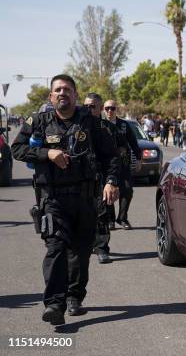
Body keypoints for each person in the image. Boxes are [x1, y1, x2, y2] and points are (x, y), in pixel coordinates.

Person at [11, 74, 120, 325]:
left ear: (75, 95)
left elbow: (111, 156)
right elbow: (17, 148)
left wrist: (111, 181)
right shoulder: (38, 122)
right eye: (58, 90)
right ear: (51, 97)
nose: (63, 93)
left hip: (85, 199)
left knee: (81, 253)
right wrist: (46, 153)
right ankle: (54, 304)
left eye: (67, 90)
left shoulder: (91, 123)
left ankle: (74, 297)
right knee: (56, 248)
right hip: (53, 199)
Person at [83, 93, 116, 264]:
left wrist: (111, 181)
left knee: (101, 214)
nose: (89, 110)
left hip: (99, 177)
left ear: (100, 108)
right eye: (86, 106)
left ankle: (102, 248)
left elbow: (112, 156)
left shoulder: (106, 128)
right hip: (78, 179)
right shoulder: (76, 125)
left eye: (92, 107)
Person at [104, 100, 142, 230]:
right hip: (106, 165)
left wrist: (138, 159)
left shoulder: (124, 125)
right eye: (107, 108)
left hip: (123, 164)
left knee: (127, 190)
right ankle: (110, 220)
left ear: (116, 110)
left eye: (112, 108)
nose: (110, 111)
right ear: (103, 109)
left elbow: (133, 142)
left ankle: (122, 218)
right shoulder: (100, 124)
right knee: (107, 191)